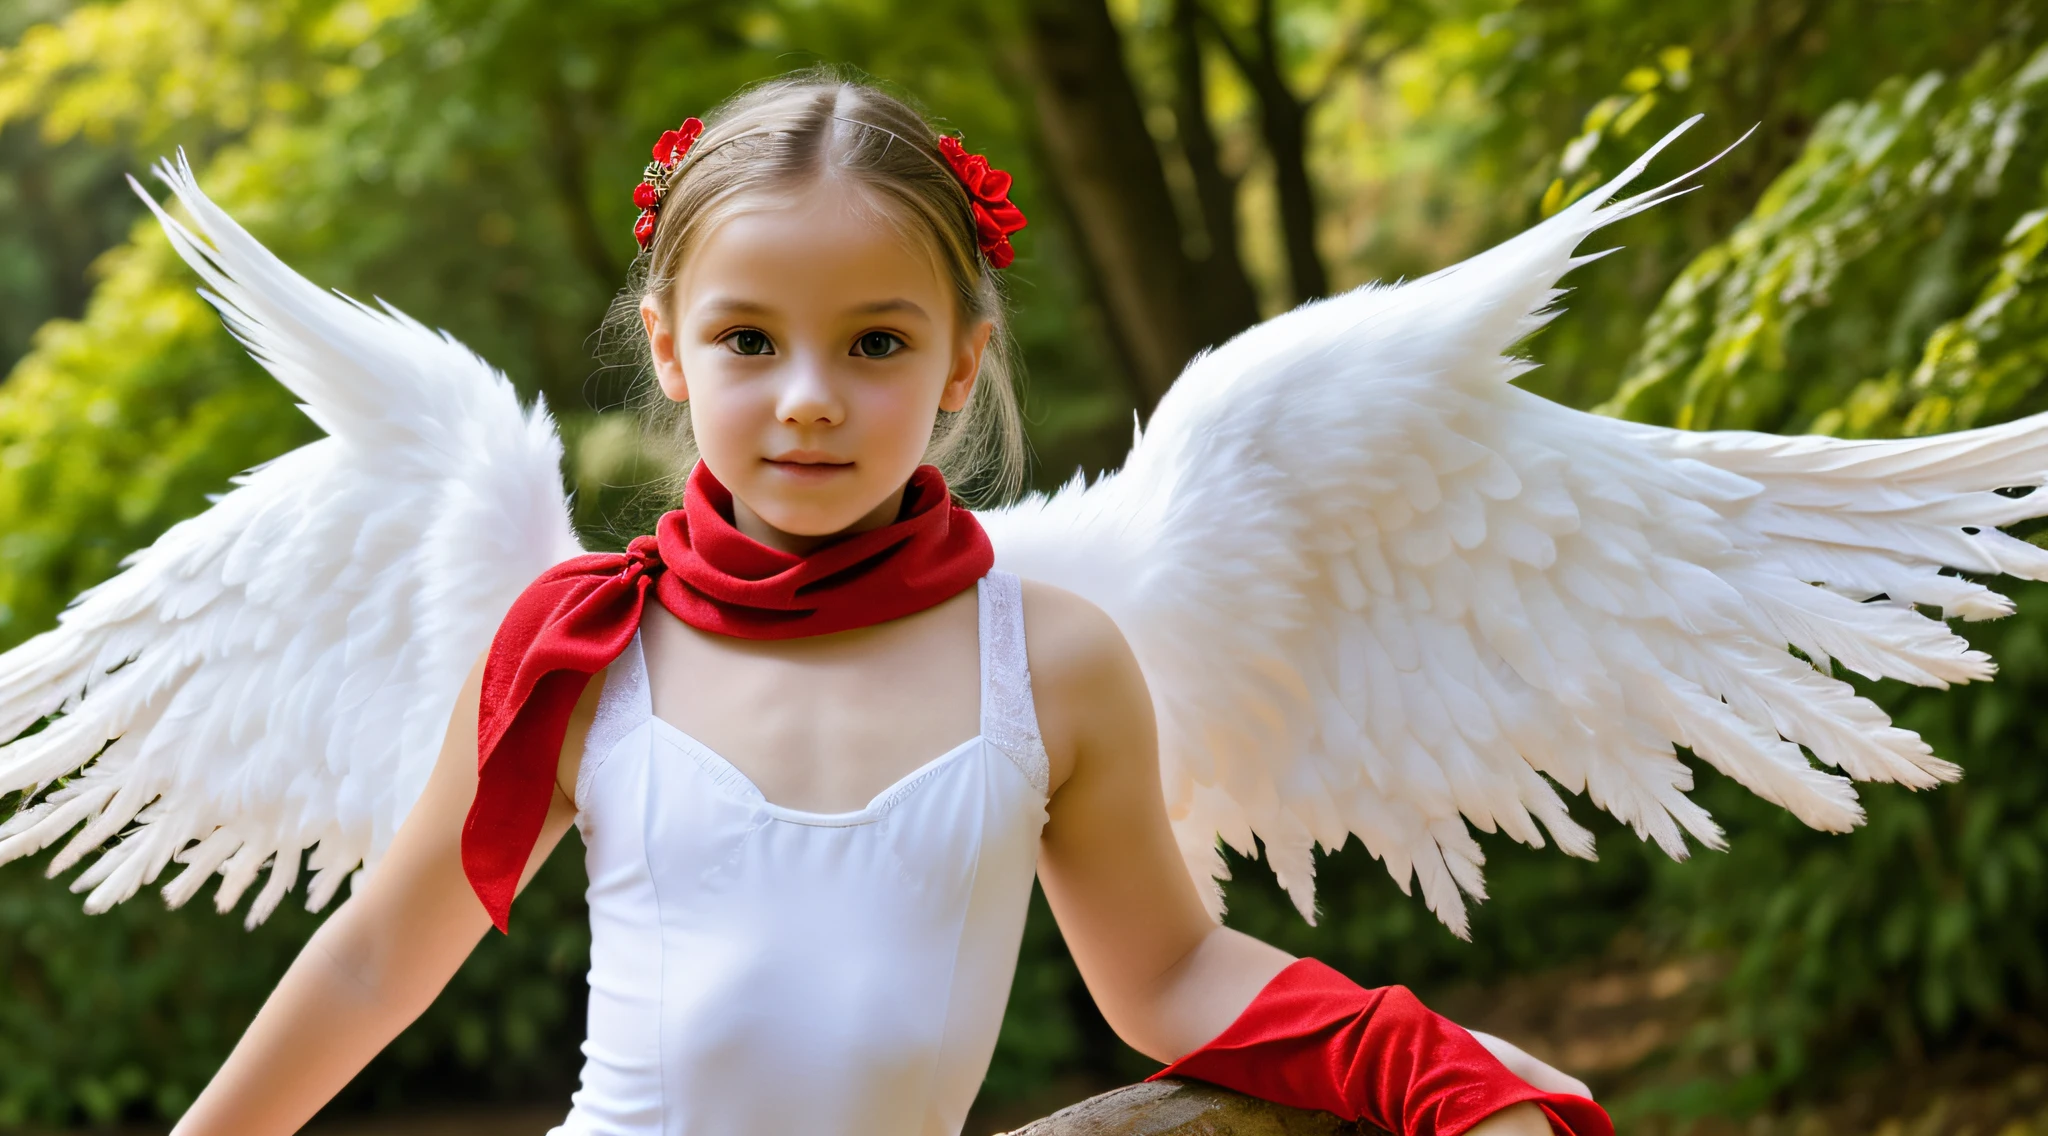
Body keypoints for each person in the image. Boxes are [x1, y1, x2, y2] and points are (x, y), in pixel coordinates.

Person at [159, 73, 1606, 1136]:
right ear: (670, 351)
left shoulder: (1050, 663)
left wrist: (1436, 1067)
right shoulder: (588, 650)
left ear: (961, 362)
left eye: (873, 343)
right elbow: (371, 961)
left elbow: (1169, 969)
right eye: (748, 339)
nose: (807, 400)